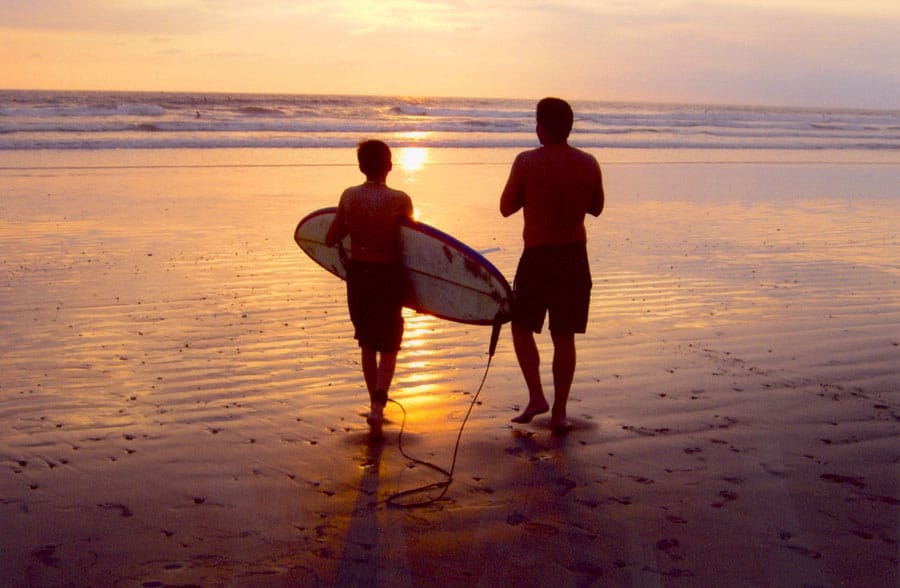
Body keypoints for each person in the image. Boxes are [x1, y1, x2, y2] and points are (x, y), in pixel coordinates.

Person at [500, 97, 605, 432]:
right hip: (574, 257)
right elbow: (597, 207)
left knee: (520, 326)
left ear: (540, 127)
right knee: (564, 336)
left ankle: (536, 396)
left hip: (539, 256)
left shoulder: (526, 161)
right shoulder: (588, 162)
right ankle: (559, 411)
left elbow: (505, 207)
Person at [325, 140, 414, 437]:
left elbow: (329, 237)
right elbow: (410, 245)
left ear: (361, 166)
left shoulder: (349, 196)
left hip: (359, 274)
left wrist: (353, 226)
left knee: (367, 341)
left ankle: (372, 403)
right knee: (390, 343)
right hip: (388, 275)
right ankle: (379, 405)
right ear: (389, 165)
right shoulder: (401, 199)